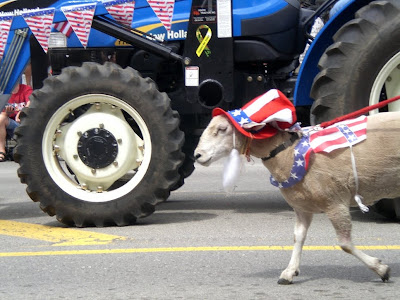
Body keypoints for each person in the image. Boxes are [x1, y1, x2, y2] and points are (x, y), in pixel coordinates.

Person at [0, 83, 33, 162]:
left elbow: (30, 102)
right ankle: (1, 151)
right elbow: (3, 114)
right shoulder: (4, 93)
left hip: (25, 124)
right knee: (1, 118)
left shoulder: (26, 89)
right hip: (12, 124)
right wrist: (7, 113)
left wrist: (22, 112)